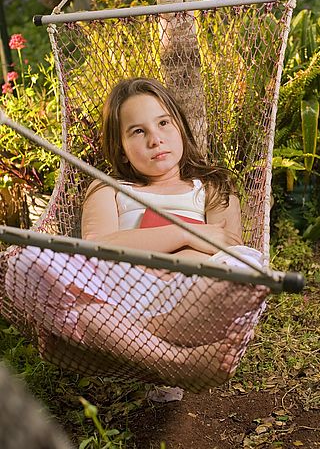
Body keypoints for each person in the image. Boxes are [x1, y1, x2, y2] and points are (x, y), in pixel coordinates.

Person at [4, 77, 269, 391]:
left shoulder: (211, 186)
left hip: (187, 295)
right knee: (26, 263)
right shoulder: (110, 189)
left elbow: (228, 248)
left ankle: (120, 341)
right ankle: (178, 362)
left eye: (163, 123)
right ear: (121, 147)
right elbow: (99, 248)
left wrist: (158, 249)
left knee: (248, 265)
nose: (155, 139)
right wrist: (185, 235)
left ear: (181, 128)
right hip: (122, 295)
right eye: (138, 131)